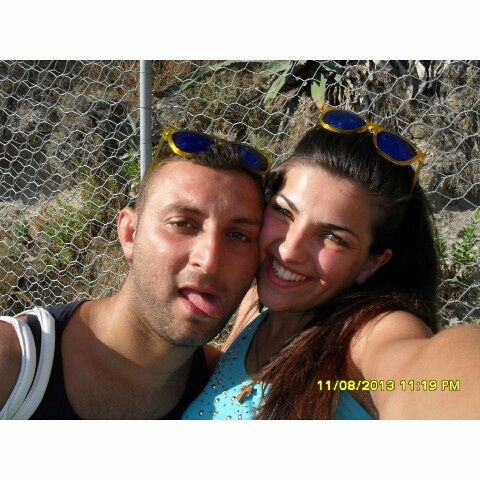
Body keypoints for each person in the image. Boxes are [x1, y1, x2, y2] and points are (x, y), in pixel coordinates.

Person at [182, 105, 480, 420]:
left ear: (371, 264)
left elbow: (435, 379)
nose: (290, 250)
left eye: (333, 237)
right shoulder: (254, 309)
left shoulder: (364, 340)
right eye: (283, 211)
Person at [0, 129, 271, 419]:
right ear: (130, 233)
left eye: (239, 235)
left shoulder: (225, 392)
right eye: (183, 224)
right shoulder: (15, 364)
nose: (210, 261)